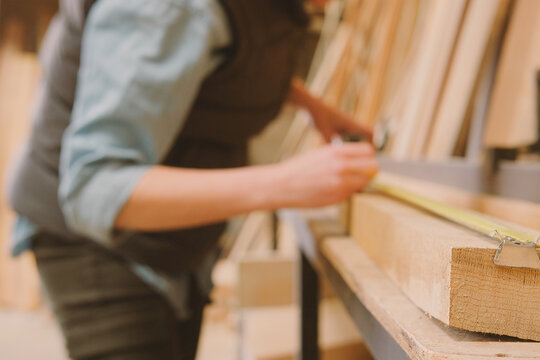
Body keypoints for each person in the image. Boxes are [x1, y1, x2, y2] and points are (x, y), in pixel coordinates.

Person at [6, 0, 378, 359]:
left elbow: (210, 54)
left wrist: (310, 105)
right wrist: (284, 183)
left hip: (170, 241)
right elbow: (94, 187)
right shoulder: (172, 8)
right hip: (94, 243)